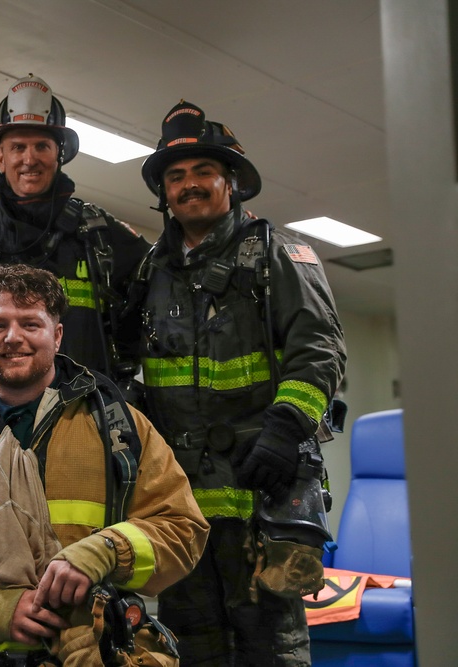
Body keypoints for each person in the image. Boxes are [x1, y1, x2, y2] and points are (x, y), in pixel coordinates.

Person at [0, 263, 209, 666]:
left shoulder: (118, 424)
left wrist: (105, 552)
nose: (13, 338)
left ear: (58, 334)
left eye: (31, 324)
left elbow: (182, 527)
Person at [134, 100, 347, 665]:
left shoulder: (279, 254)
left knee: (271, 648)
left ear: (231, 182)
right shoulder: (148, 272)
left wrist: (285, 427)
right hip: (180, 510)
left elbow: (320, 349)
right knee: (190, 645)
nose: (190, 185)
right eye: (176, 177)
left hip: (264, 495)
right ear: (165, 193)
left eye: (204, 171)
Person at [0, 74, 150, 381]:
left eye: (42, 145)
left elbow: (162, 288)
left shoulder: (101, 235)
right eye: (18, 147)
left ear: (60, 155)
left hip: (84, 411)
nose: (30, 159)